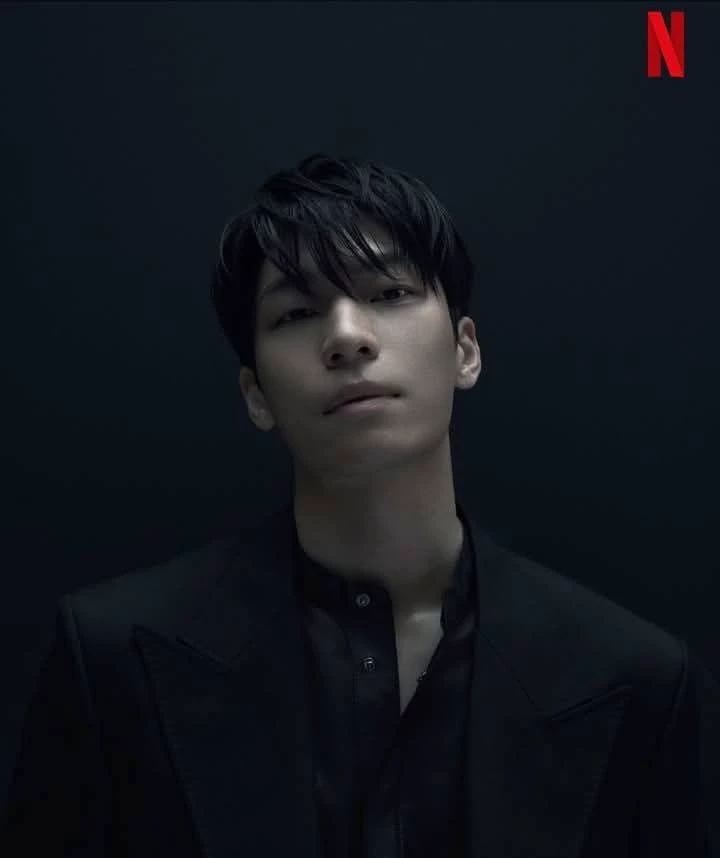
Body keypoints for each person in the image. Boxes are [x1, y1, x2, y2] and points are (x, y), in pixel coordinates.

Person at [2, 152, 717, 858]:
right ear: (255, 395)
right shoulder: (114, 659)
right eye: (297, 311)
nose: (346, 335)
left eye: (391, 292)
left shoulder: (636, 679)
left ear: (465, 351)